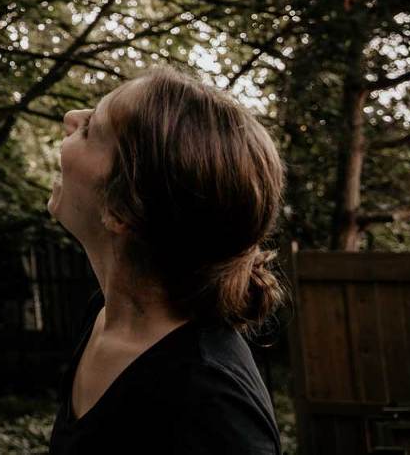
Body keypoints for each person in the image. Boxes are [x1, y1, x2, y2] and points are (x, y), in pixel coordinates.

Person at [46, 66, 287, 454]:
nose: (71, 119)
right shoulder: (102, 318)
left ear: (122, 208)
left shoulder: (212, 405)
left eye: (92, 129)